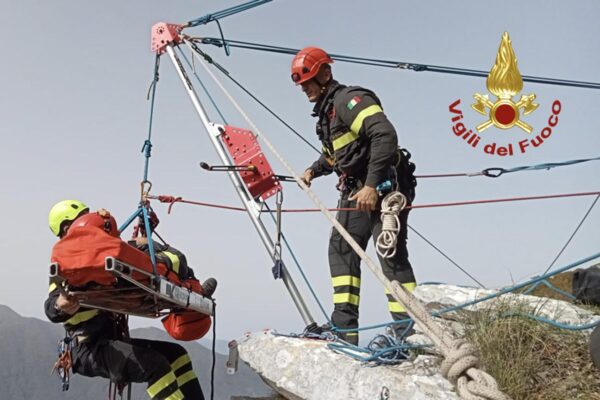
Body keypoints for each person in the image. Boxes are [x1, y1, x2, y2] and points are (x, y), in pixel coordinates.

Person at [291, 47, 417, 345]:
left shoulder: (349, 100)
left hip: (386, 185)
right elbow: (339, 154)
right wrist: (313, 170)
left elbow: (384, 135)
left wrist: (372, 185)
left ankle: (408, 334)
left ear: (325, 73)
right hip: (357, 189)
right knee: (341, 249)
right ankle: (344, 331)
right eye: (301, 84)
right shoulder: (327, 114)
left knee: (390, 256)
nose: (304, 88)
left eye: (308, 81)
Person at [45, 199, 207, 400]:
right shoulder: (68, 268)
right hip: (88, 348)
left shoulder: (99, 259)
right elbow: (51, 307)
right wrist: (61, 305)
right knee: (155, 366)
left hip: (111, 340)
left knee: (177, 355)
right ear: (68, 227)